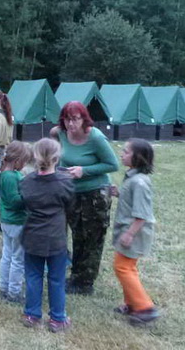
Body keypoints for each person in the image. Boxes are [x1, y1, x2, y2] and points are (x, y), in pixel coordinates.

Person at [50, 101, 119, 295]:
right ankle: (76, 276)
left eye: (75, 119)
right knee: (78, 235)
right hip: (73, 192)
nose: (71, 124)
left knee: (93, 238)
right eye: (67, 119)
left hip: (95, 194)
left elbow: (112, 164)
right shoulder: (60, 133)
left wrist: (84, 170)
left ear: (84, 119)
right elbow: (58, 153)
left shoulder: (95, 137)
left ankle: (85, 283)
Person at [20, 138, 74, 333]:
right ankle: (57, 318)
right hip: (55, 237)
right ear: (57, 158)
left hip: (33, 236)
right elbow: (70, 206)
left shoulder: (26, 182)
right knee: (56, 279)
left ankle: (32, 314)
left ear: (35, 157)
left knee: (33, 276)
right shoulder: (65, 183)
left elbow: (25, 202)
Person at [112, 139, 160, 325]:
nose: (121, 154)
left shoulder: (139, 182)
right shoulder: (132, 178)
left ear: (137, 157)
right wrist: (118, 193)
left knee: (122, 267)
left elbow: (142, 215)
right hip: (130, 229)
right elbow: (132, 201)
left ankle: (145, 308)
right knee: (128, 267)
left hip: (134, 231)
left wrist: (130, 234)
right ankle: (131, 303)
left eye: (126, 152)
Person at [0, 141, 32, 303]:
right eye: (24, 161)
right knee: (18, 259)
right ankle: (14, 292)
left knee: (7, 255)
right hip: (17, 222)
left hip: (6, 220)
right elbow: (14, 201)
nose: (24, 165)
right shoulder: (11, 177)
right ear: (17, 160)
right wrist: (30, 195)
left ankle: (3, 287)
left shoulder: (5, 174)